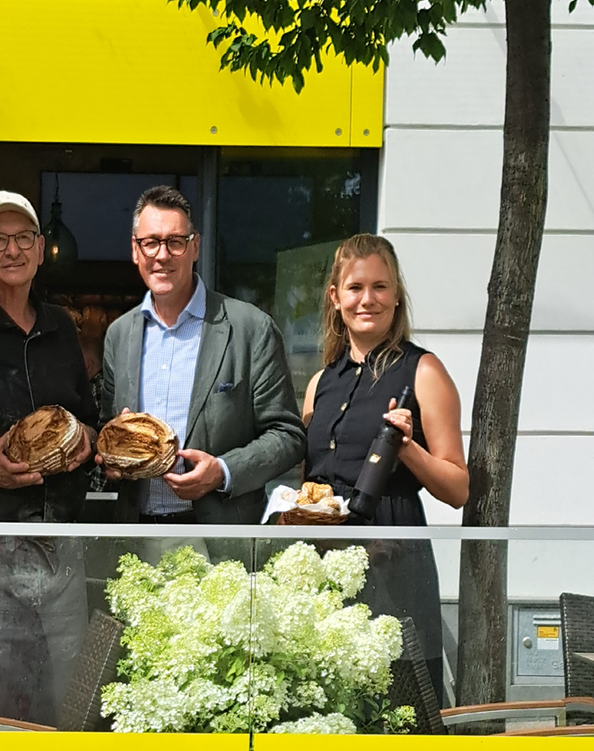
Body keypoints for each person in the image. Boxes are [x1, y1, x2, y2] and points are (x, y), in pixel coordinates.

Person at [0, 190, 99, 724]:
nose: (12, 250)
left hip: (62, 546)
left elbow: (88, 418)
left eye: (23, 238)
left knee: (69, 701)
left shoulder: (62, 328)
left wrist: (85, 440)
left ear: (39, 250)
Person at [301, 233, 469, 701]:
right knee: (329, 697)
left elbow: (458, 488)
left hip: (395, 558)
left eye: (380, 286)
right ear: (335, 297)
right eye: (355, 288)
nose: (367, 299)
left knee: (399, 700)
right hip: (325, 559)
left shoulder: (424, 371)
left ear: (397, 296)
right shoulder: (319, 383)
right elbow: (309, 481)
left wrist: (408, 449)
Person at [99, 184, 306, 525]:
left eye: (175, 242)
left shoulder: (250, 328)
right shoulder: (119, 335)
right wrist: (113, 456)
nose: (162, 255)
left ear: (195, 247)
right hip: (137, 532)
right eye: (151, 242)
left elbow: (288, 436)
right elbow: (107, 427)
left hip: (218, 535)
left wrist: (223, 471)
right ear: (136, 250)